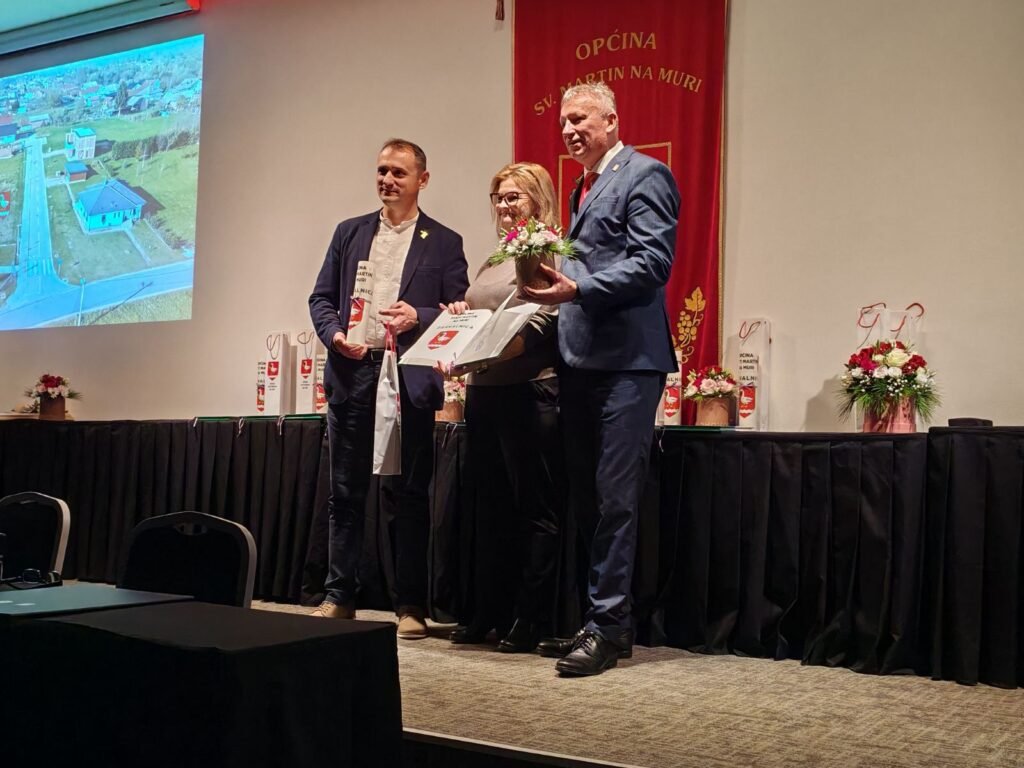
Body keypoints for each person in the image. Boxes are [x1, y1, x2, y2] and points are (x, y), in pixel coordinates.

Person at [523, 83, 680, 676]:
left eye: (580, 118)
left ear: (612, 120)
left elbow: (653, 262)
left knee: (616, 499)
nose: (569, 130)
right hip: (581, 363)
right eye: (563, 121)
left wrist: (579, 288)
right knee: (589, 499)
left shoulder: (646, 174)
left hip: (627, 366)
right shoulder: (581, 186)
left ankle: (608, 626)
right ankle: (604, 622)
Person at [309, 138, 468, 639]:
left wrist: (417, 315)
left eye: (399, 172)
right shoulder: (349, 232)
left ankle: (410, 606)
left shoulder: (444, 242)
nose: (387, 180)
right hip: (354, 372)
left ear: (423, 179)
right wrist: (335, 335)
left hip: (408, 378)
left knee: (409, 495)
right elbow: (320, 299)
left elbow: (458, 310)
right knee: (345, 492)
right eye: (382, 170)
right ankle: (340, 596)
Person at [440, 163, 564, 653]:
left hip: (531, 392)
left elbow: (543, 324)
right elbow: (480, 316)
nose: (505, 205)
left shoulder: (552, 250)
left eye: (515, 196)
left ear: (538, 200)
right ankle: (486, 612)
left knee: (533, 508)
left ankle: (530, 618)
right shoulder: (494, 258)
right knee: (488, 506)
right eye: (499, 197)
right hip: (484, 392)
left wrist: (479, 355)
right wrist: (458, 319)